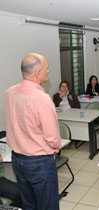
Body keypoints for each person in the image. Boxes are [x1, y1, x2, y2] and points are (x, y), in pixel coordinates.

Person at [4, 53, 62, 210]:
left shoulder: (9, 92)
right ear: (37, 72)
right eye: (47, 68)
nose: (49, 70)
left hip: (17, 159)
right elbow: (52, 136)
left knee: (29, 204)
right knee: (48, 205)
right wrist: (56, 149)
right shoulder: (41, 98)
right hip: (39, 161)